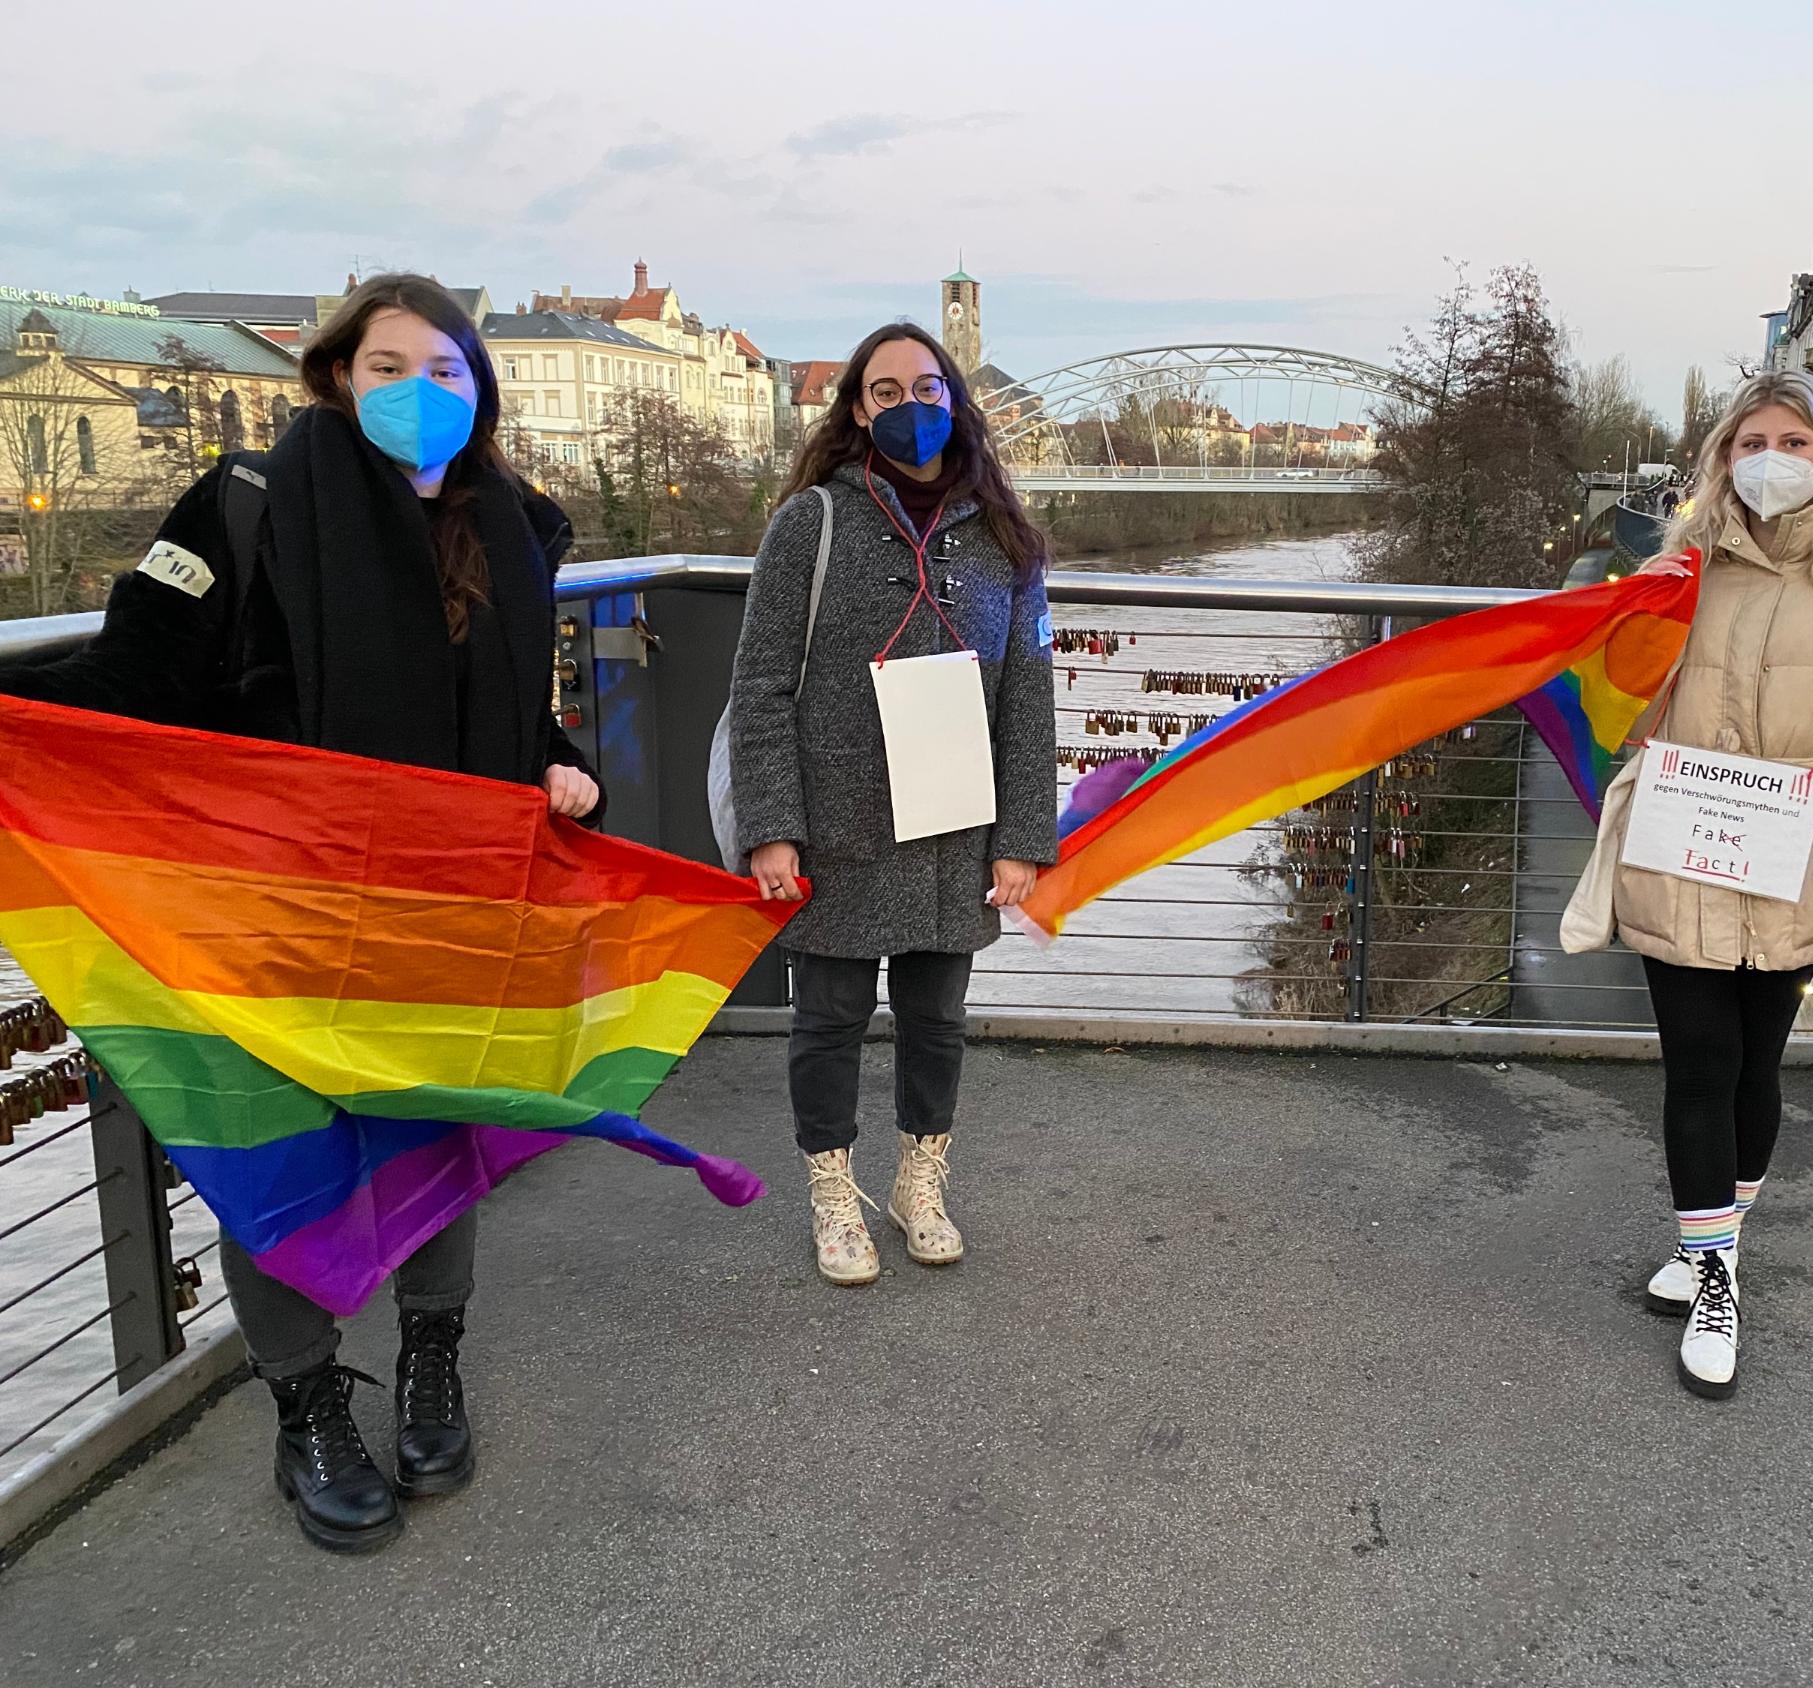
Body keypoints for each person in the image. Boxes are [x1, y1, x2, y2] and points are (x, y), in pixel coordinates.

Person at [0, 275, 602, 1551]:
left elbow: (497, 706)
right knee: (278, 1157)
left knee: (438, 1130)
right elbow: (135, 674)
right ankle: (308, 1401)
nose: (418, 393)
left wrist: (554, 753)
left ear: (478, 391)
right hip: (272, 909)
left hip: (443, 907)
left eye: (445, 370)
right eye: (388, 366)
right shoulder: (242, 506)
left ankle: (432, 1353)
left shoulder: (513, 525)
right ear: (335, 375)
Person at [1567, 370, 1813, 1401]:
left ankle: (1709, 1246)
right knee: (1699, 1061)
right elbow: (1617, 706)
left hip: (1798, 863)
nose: (1768, 459)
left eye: (1793, 441)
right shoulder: (1673, 572)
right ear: (1720, 457)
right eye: (1748, 442)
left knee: (1753, 1068)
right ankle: (1715, 1273)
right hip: (1684, 846)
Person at [728, 323, 1057, 1287]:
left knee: (936, 1017)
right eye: (883, 391)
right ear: (857, 411)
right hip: (835, 824)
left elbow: (1026, 700)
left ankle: (921, 1178)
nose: (907, 406)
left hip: (955, 826)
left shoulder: (1007, 540)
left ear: (954, 398)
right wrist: (771, 827)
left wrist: (1023, 837)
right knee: (827, 1016)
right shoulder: (811, 524)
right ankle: (834, 1189)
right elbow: (759, 686)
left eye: (925, 386)